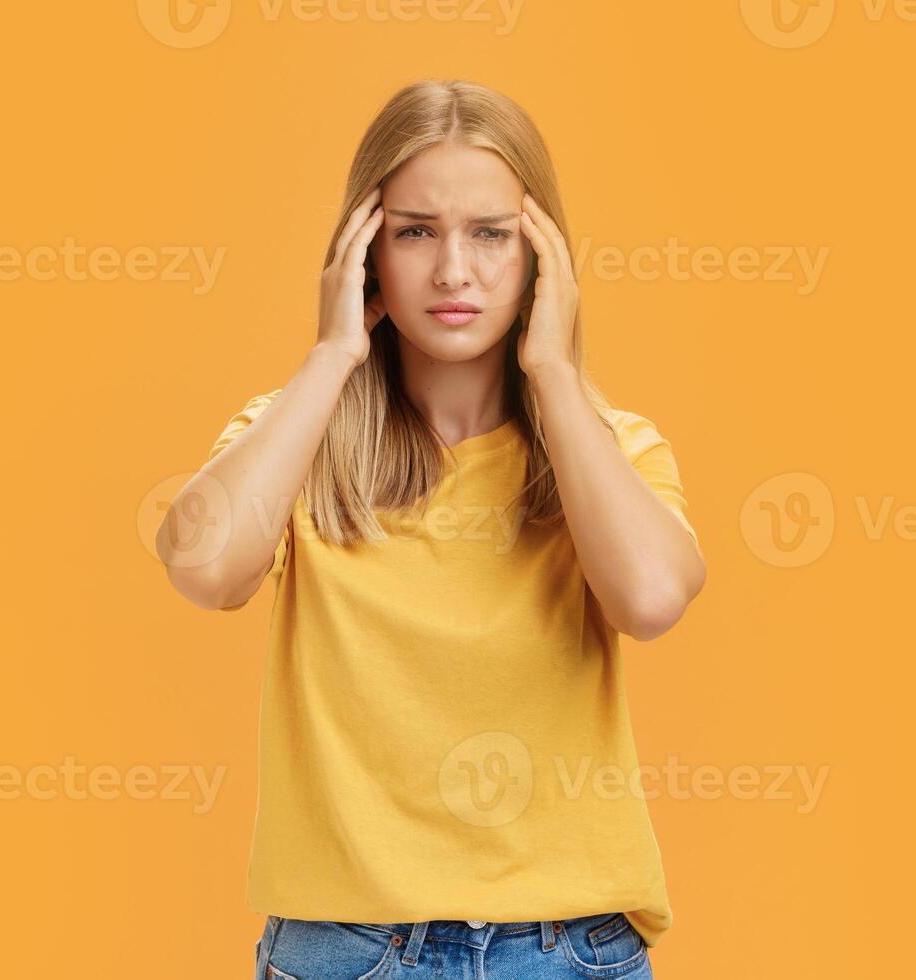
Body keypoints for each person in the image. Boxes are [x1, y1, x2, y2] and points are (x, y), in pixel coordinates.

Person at [157, 79, 704, 980]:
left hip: (566, 952)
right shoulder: (293, 438)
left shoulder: (611, 450)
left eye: (491, 234)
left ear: (541, 259)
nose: (455, 270)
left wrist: (555, 375)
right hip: (342, 952)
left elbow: (648, 599)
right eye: (415, 231)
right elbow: (204, 568)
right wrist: (332, 353)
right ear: (363, 254)